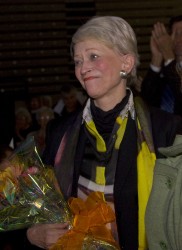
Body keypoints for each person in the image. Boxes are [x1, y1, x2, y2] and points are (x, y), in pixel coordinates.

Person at [26, 16, 182, 250]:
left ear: (126, 63)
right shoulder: (61, 132)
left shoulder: (164, 131)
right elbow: (42, 205)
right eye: (77, 61)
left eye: (93, 56)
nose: (83, 68)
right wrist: (33, 234)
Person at [141, 15, 182, 116]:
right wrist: (157, 58)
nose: (178, 38)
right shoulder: (165, 70)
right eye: (174, 33)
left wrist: (168, 55)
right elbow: (145, 103)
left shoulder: (170, 66)